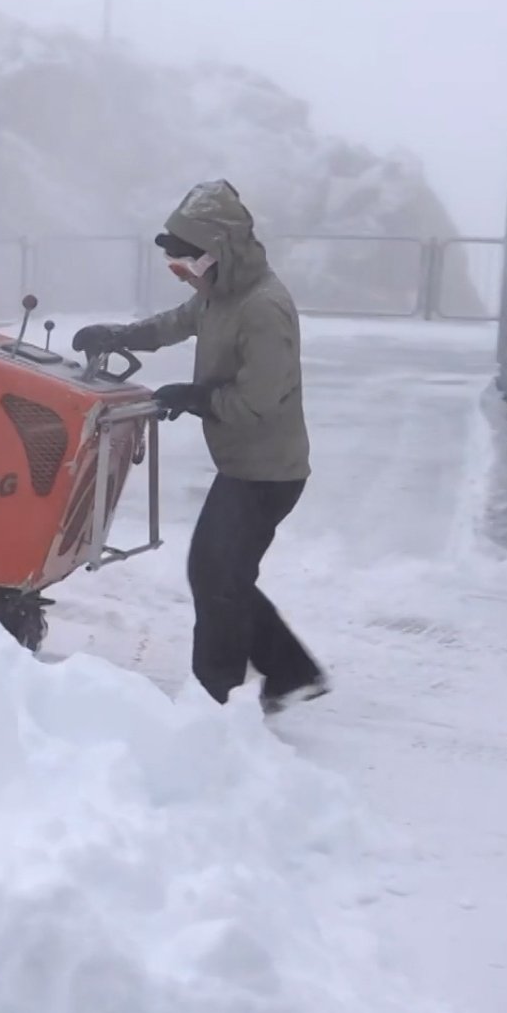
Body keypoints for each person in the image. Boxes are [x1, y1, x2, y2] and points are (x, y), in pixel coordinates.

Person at [71, 179, 328, 715]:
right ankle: (291, 673)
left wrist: (197, 398)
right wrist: (119, 336)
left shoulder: (263, 308)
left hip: (268, 472)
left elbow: (261, 400)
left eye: (187, 263)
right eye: (176, 267)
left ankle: (217, 701)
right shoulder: (220, 295)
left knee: (216, 576)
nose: (183, 273)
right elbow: (174, 323)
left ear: (220, 253)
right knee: (222, 573)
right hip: (244, 463)